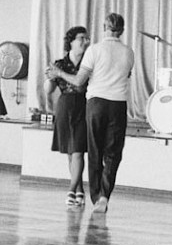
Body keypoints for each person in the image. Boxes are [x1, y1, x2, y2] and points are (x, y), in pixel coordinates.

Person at [48, 12, 134, 215]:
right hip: (118, 105)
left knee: (94, 151)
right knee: (113, 154)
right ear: (122, 30)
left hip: (96, 103)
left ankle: (95, 196)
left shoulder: (94, 50)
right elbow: (126, 74)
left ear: (104, 27)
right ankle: (104, 195)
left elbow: (78, 81)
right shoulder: (128, 52)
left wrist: (59, 73)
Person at [45, 25, 89, 207]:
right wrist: (49, 76)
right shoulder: (60, 63)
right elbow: (48, 90)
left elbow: (80, 85)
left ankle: (71, 189)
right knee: (71, 152)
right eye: (81, 38)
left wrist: (59, 74)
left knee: (78, 150)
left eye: (87, 38)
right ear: (70, 42)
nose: (85, 42)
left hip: (84, 107)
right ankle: (79, 190)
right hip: (64, 107)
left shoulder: (90, 63)